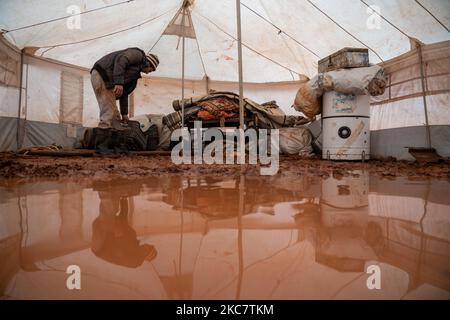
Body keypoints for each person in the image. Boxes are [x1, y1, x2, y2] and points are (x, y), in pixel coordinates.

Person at [90, 48, 159, 150]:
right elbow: (121, 59)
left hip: (105, 79)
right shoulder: (138, 55)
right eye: (152, 70)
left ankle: (113, 146)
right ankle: (101, 147)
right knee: (108, 112)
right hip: (102, 75)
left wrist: (124, 113)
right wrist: (118, 82)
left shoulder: (134, 77)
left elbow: (124, 94)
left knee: (115, 117)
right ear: (150, 64)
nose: (149, 72)